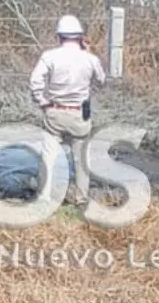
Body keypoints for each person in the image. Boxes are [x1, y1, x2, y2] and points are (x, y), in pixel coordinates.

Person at [28, 14, 107, 206]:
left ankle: (44, 196)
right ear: (80, 37)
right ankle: (81, 198)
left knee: (48, 155)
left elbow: (35, 82)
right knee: (81, 158)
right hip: (79, 114)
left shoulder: (49, 56)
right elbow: (101, 80)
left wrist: (43, 101)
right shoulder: (90, 59)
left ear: (59, 37)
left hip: (54, 112)